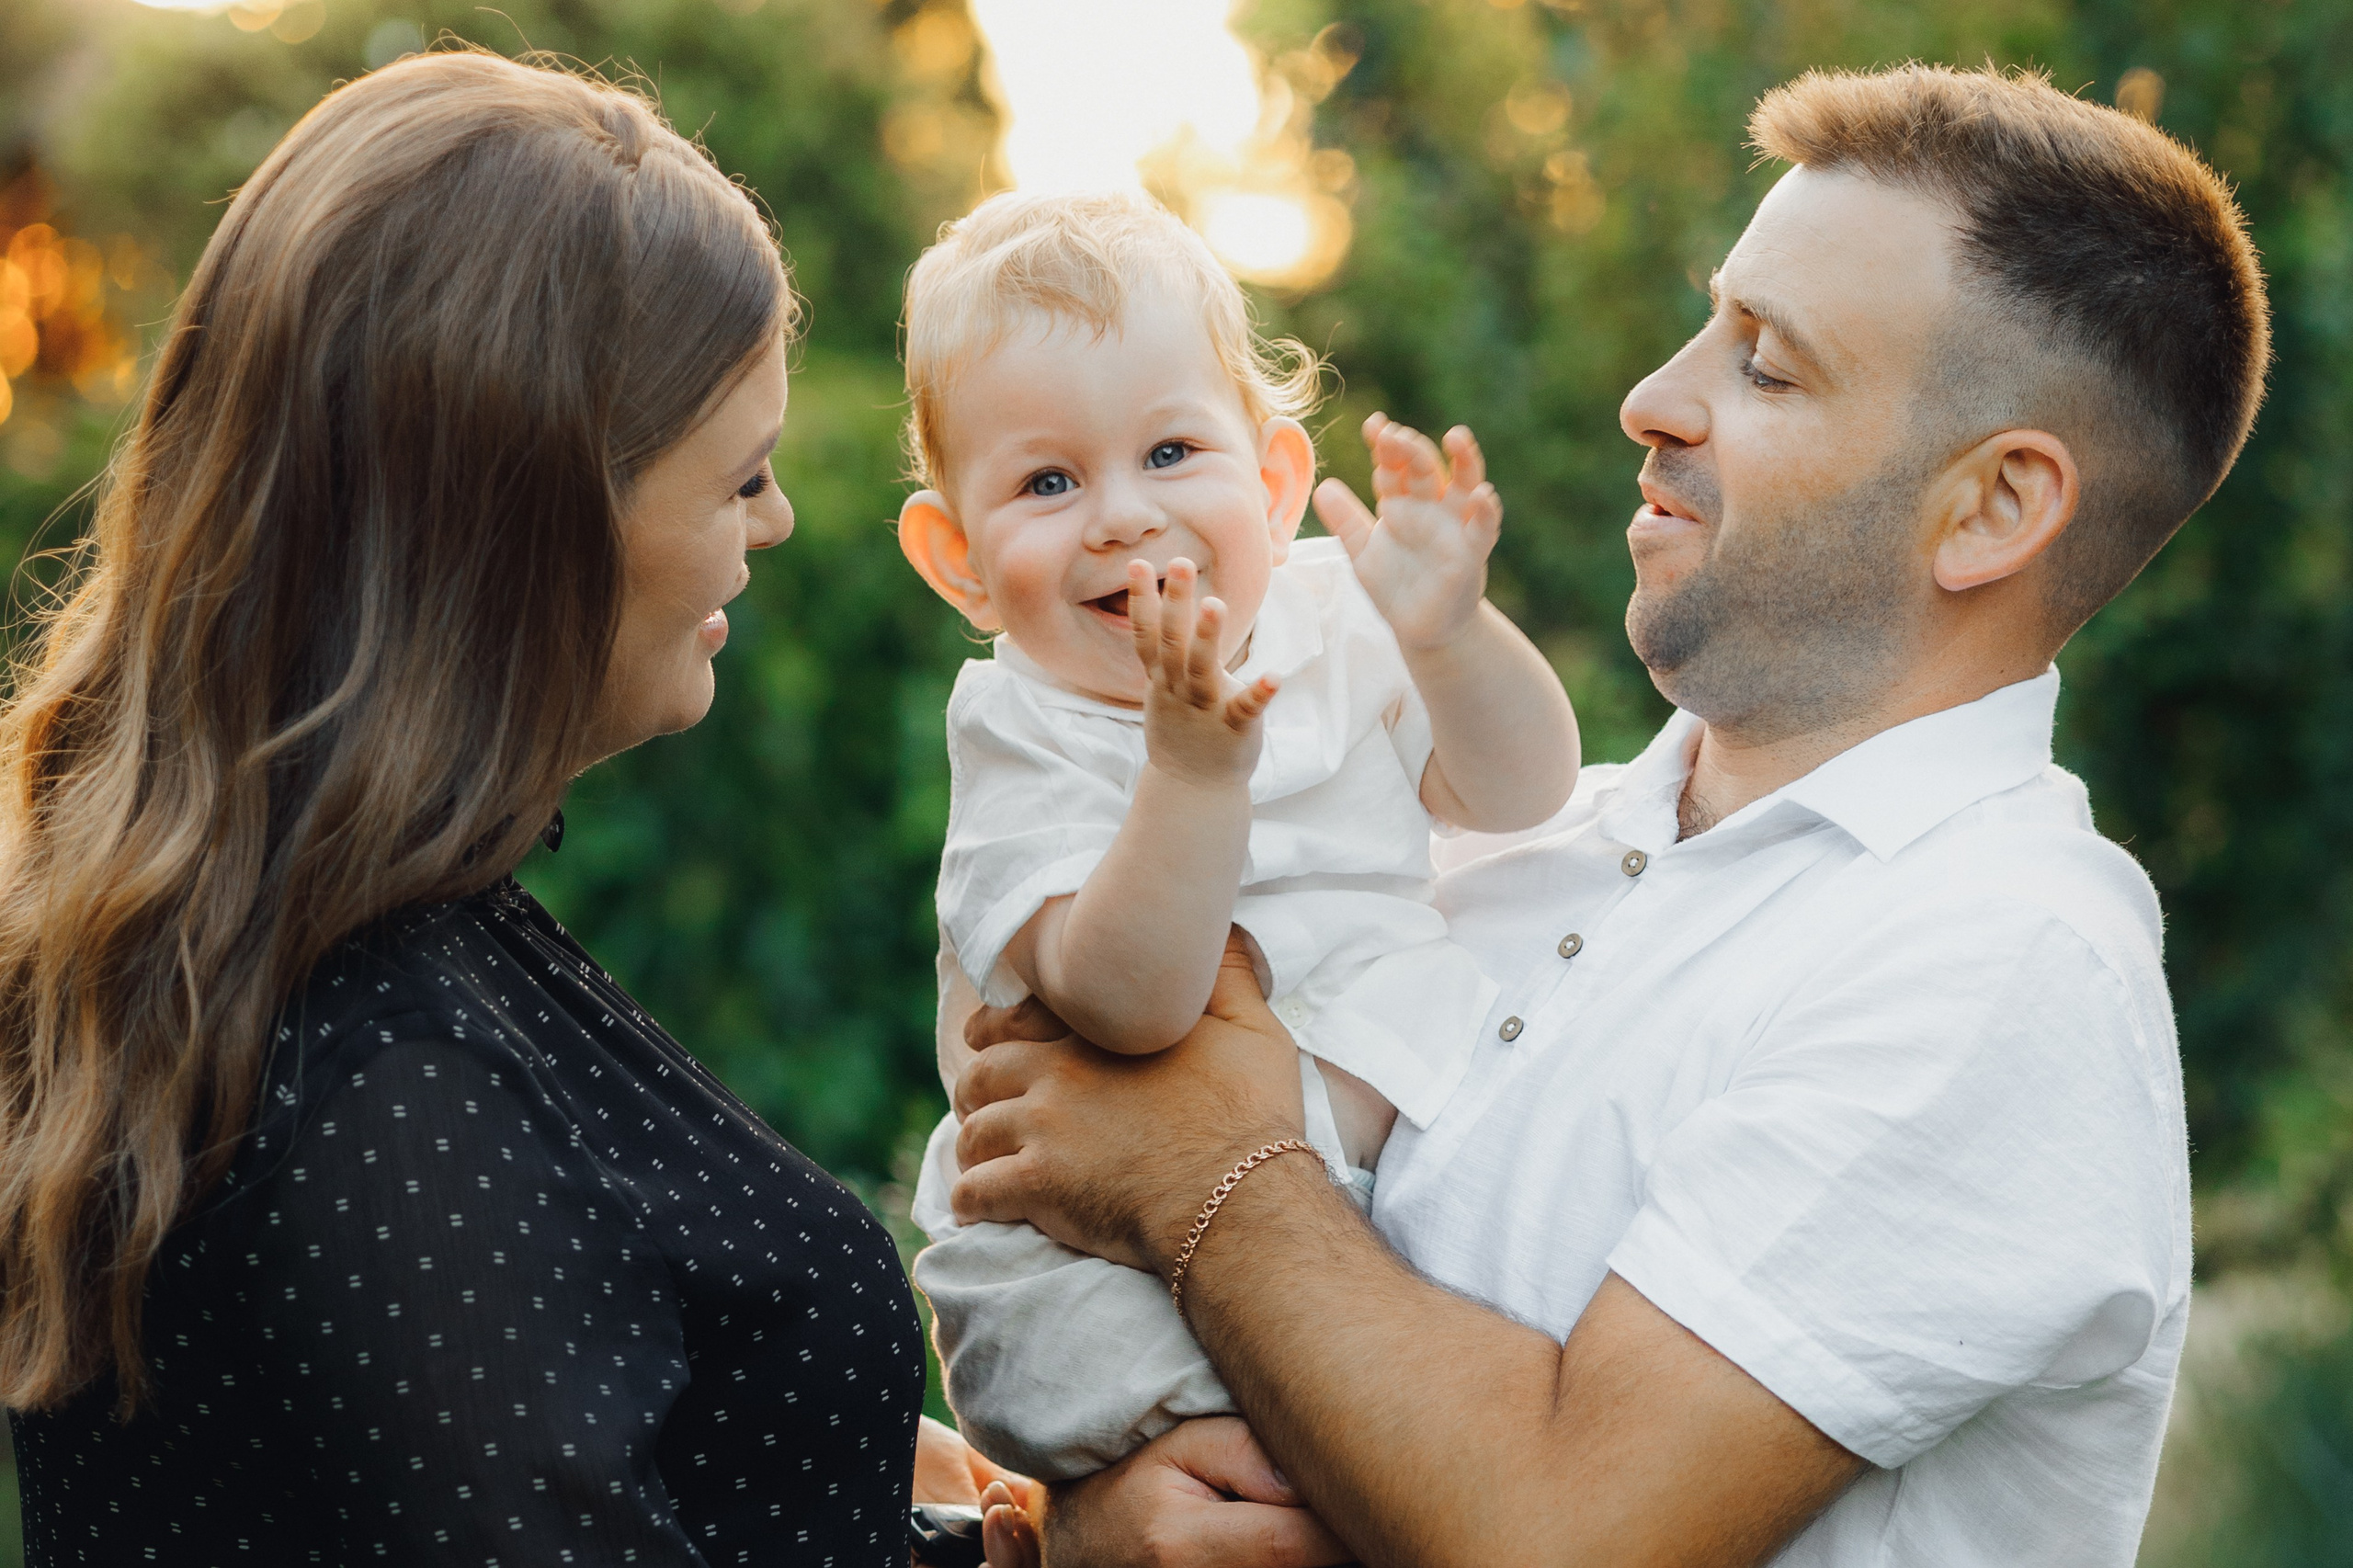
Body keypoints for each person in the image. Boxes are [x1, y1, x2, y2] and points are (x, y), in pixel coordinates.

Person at [947, 63, 2269, 1568]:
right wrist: (1102, 1511)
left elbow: (1562, 1536)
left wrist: (1208, 1173)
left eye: (1765, 365)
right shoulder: (1509, 841)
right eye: (1712, 320)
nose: (1653, 394)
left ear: (1991, 510)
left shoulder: (2004, 960)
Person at [0, 50, 1031, 1567]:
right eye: (736, 476)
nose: (777, 519)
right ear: (534, 521)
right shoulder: (387, 1078)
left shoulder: (302, 955)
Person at [891, 189, 1577, 1478]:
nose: (1122, 515)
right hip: (1092, 1256)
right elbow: (1133, 1004)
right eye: (1047, 480)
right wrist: (1191, 774)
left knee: (1445, 1407)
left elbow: (1523, 790)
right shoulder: (1023, 731)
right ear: (960, 561)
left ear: (1272, 483)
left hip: (1351, 1183)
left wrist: (1448, 635)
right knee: (1264, 1477)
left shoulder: (1335, 617)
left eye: (1169, 454)